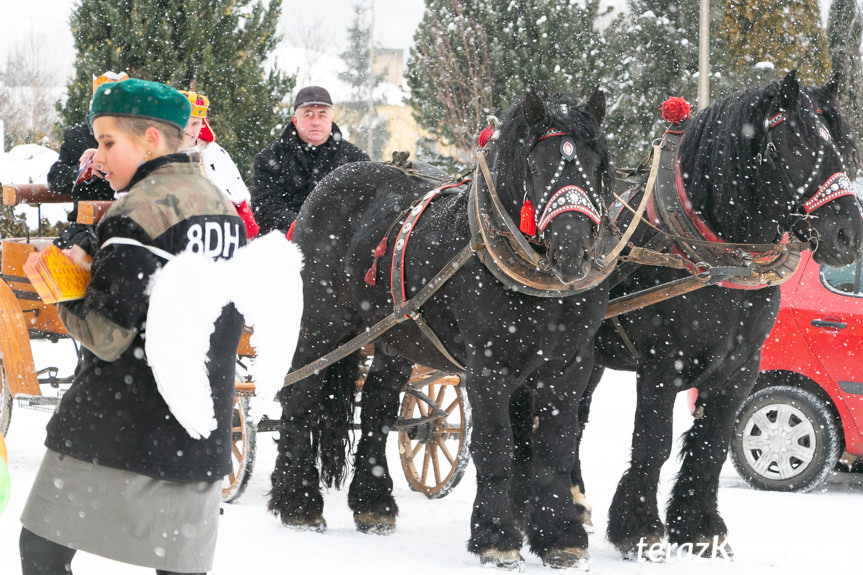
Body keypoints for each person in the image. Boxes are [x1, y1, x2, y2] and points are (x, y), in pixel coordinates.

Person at [19, 78, 247, 575]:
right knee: (178, 565)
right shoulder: (222, 206)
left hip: (116, 420)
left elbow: (106, 334)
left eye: (107, 142)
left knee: (41, 548)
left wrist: (60, 286)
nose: (97, 157)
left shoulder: (136, 211)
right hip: (197, 420)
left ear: (150, 139)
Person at [251, 85, 370, 235]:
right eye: (308, 115)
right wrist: (300, 227)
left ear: (331, 119)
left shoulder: (356, 160)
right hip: (284, 245)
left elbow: (366, 206)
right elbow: (264, 206)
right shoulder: (270, 158)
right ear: (295, 120)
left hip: (341, 246)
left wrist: (333, 231)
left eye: (322, 115)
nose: (315, 122)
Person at [47, 71, 128, 225]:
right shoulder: (77, 136)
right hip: (86, 225)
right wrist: (83, 171)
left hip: (127, 222)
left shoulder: (135, 135)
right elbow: (55, 180)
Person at [179, 89, 259, 238]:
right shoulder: (157, 152)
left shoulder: (214, 153)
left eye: (195, 123)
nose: (188, 130)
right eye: (183, 121)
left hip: (219, 231)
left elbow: (238, 200)